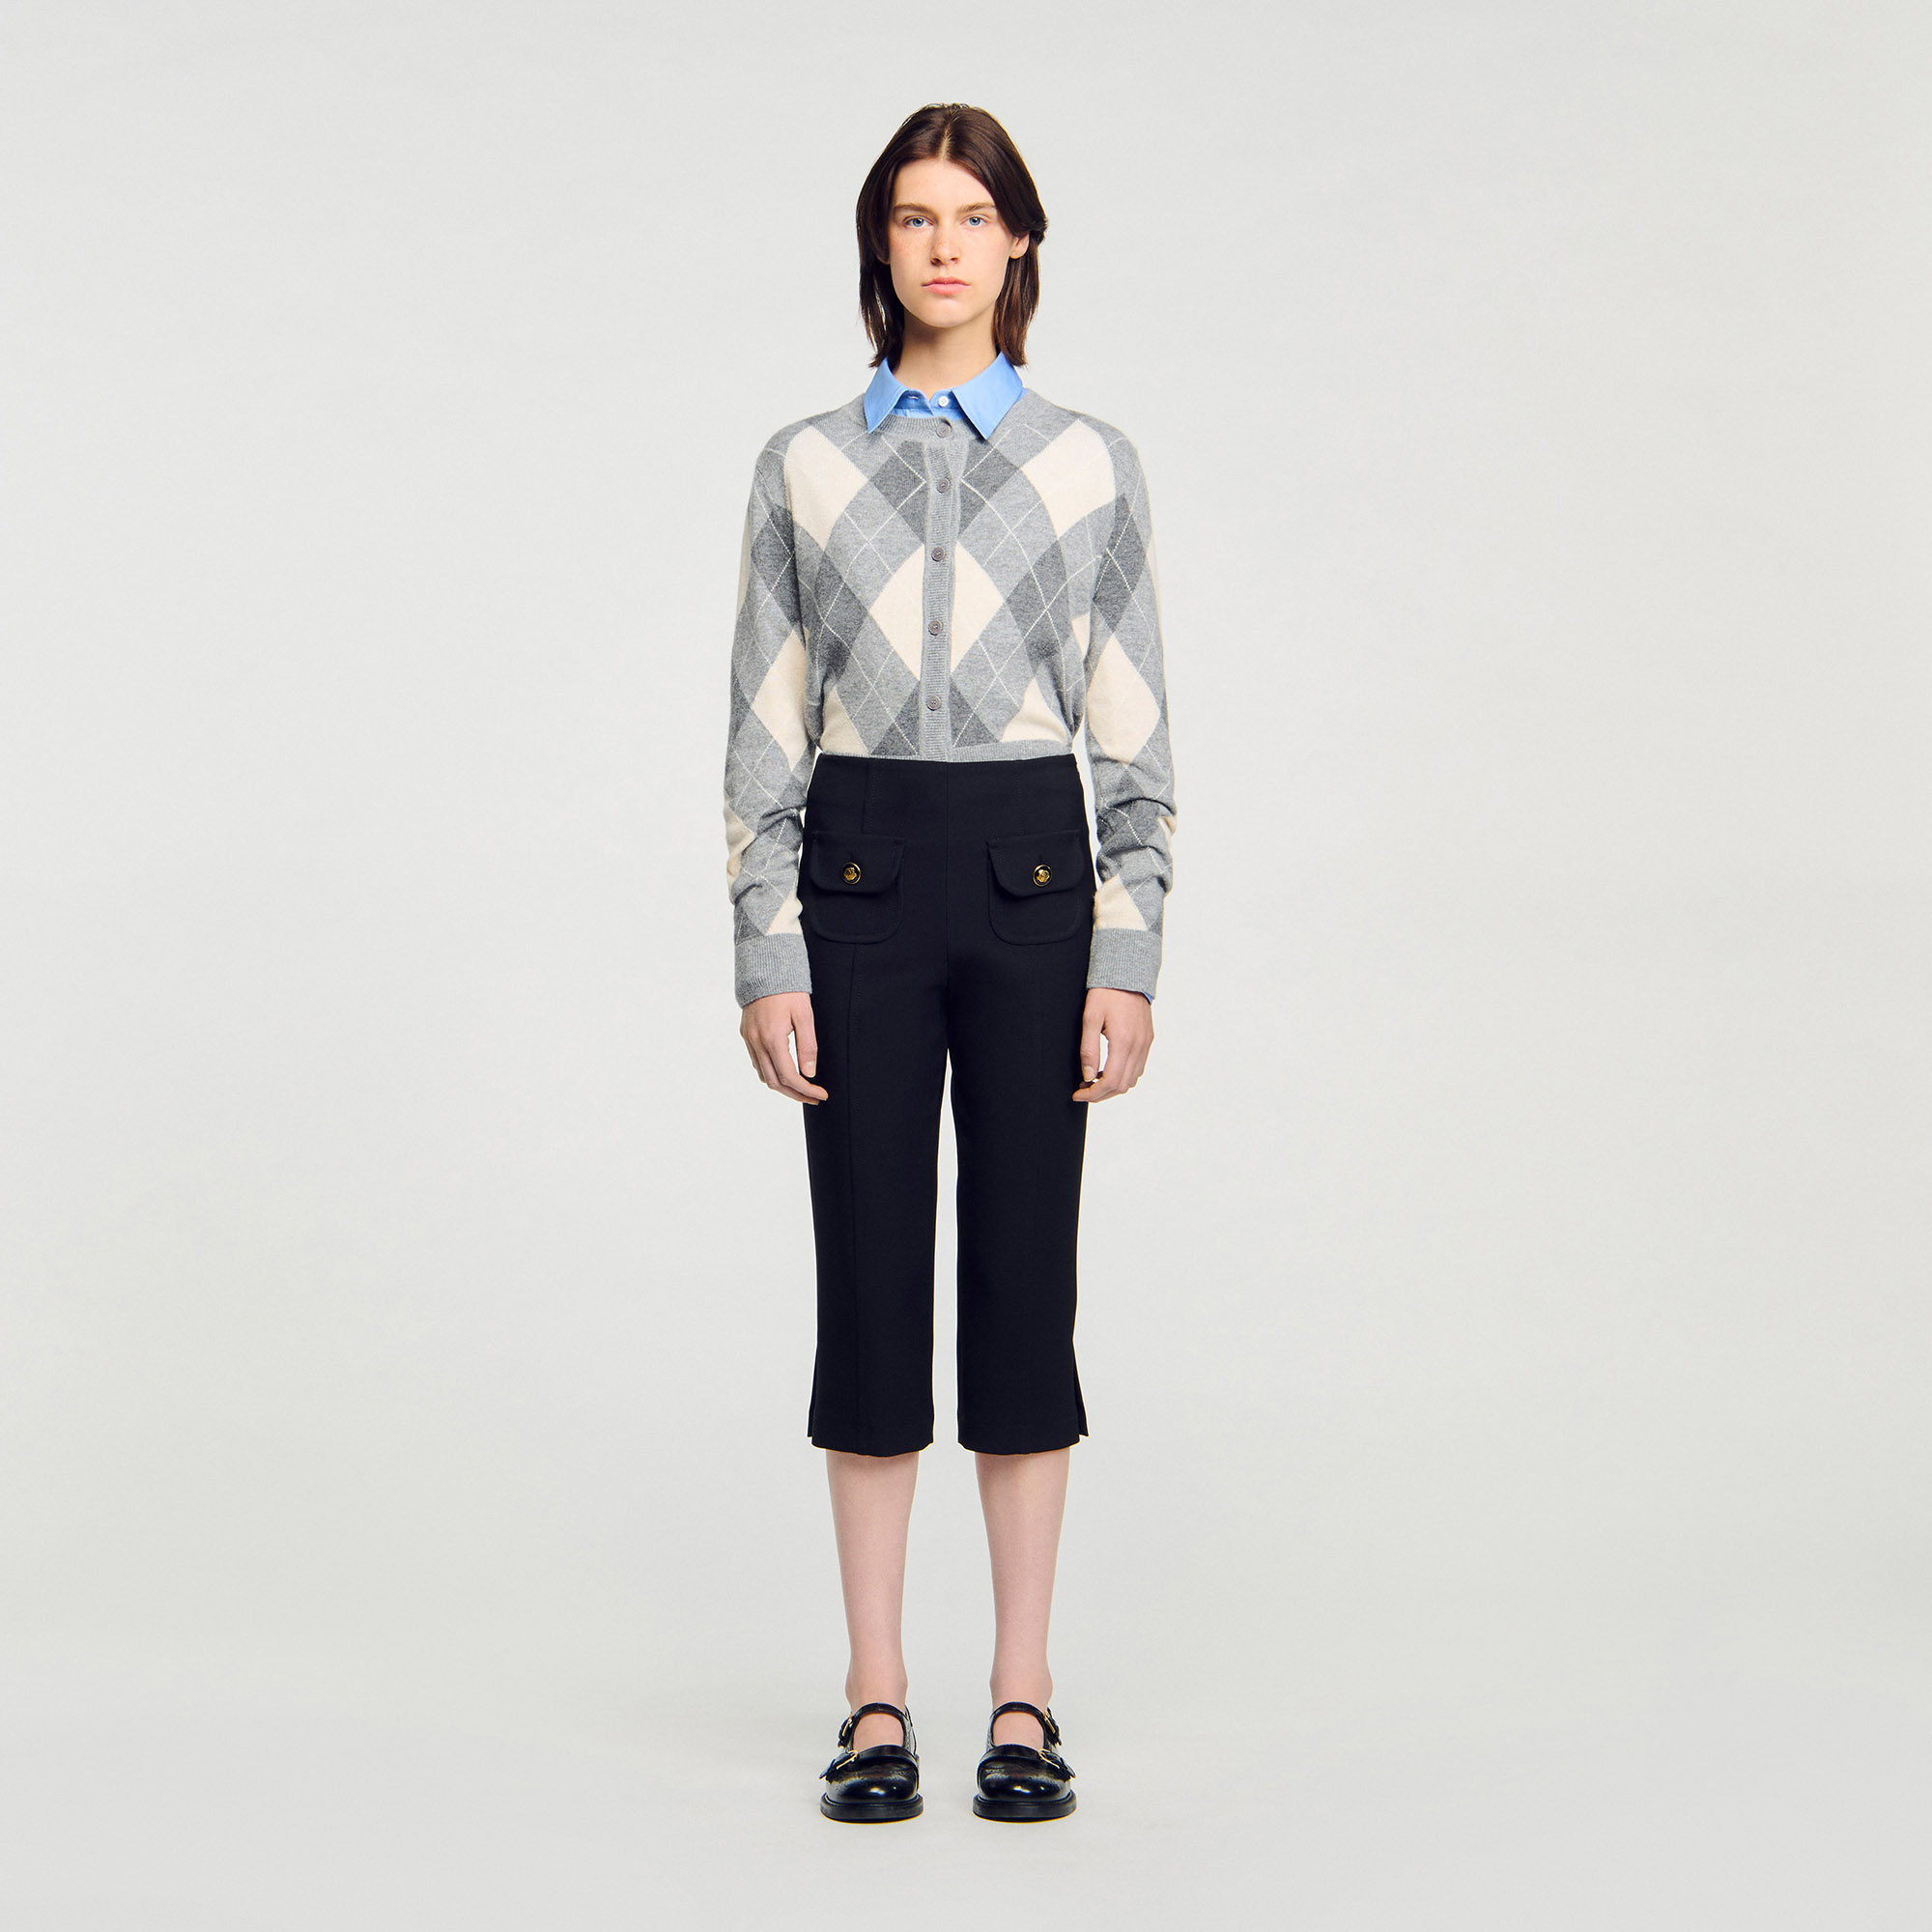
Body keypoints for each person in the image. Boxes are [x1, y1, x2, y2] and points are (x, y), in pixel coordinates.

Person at [721, 100, 1178, 1824]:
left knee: (1021, 1286)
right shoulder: (801, 466)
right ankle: (874, 1696)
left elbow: (1132, 734)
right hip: (857, 878)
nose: (943, 246)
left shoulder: (1090, 464)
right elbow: (764, 728)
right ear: (881, 246)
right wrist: (766, 948)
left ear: (1020, 244)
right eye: (914, 217)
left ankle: (1022, 1693)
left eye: (972, 217)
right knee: (869, 1284)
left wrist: (1128, 952)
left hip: (1032, 882)